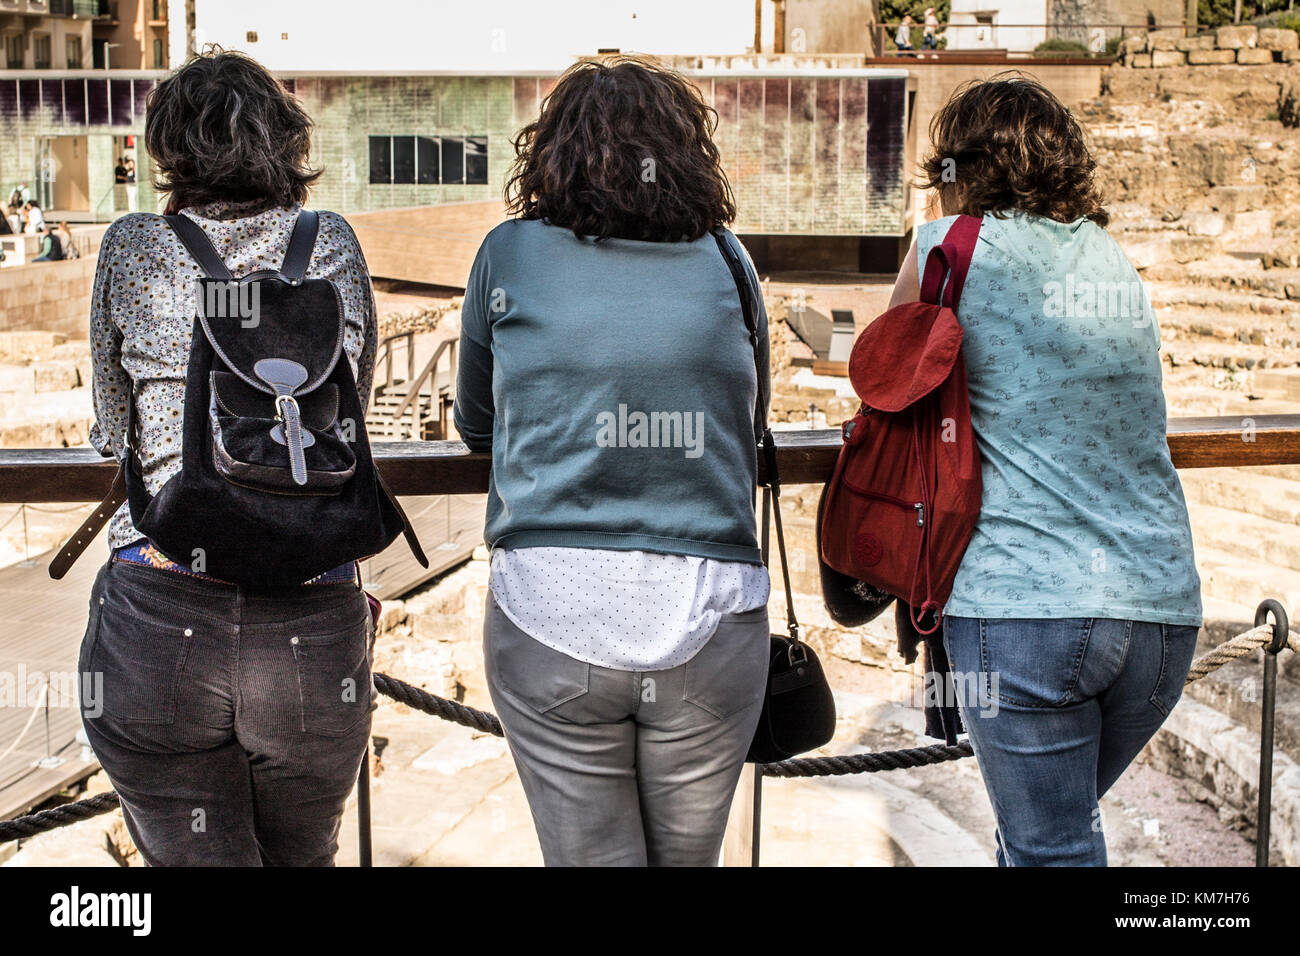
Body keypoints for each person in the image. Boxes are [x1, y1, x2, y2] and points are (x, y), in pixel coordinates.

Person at [455, 55, 772, 867]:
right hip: (710, 609)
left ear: (550, 155)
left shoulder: (508, 255)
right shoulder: (729, 262)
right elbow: (749, 415)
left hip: (550, 612)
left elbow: (476, 422)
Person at [80, 49, 380, 866]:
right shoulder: (333, 243)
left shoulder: (134, 245)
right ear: (286, 142)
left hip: (163, 606)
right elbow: (352, 416)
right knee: (303, 857)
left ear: (166, 149)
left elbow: (114, 429)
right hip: (312, 619)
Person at [894, 74, 1202, 866]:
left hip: (1024, 615)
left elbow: (886, 379)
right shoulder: (1112, 259)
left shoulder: (945, 251)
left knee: (1049, 850)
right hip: (1159, 617)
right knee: (1045, 839)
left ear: (961, 173)